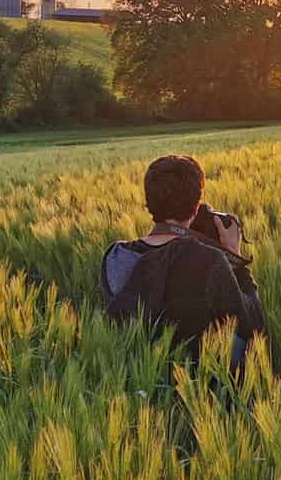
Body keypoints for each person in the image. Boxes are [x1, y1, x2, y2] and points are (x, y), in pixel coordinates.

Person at [100, 154, 265, 370]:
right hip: (204, 385)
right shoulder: (209, 261)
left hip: (137, 383)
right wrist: (234, 256)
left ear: (148, 203)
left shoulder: (116, 256)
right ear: (196, 207)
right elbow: (253, 324)